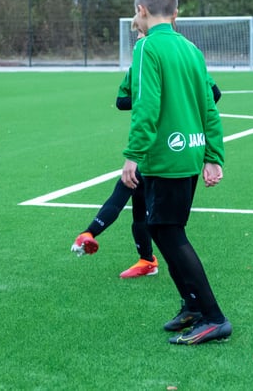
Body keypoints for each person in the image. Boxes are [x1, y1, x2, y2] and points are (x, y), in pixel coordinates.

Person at [120, 0, 230, 345]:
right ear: (176, 13)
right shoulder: (190, 49)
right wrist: (213, 156)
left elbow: (146, 107)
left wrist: (133, 154)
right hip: (190, 153)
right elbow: (209, 107)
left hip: (165, 157)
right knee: (162, 228)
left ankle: (213, 316)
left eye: (135, 13)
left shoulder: (147, 48)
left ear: (141, 10)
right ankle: (193, 307)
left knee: (169, 232)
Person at [72, 21, 222, 279]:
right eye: (139, 35)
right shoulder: (139, 65)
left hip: (166, 149)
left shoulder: (180, 55)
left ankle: (93, 235)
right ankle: (146, 259)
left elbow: (214, 94)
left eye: (142, 33)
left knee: (148, 211)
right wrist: (148, 97)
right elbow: (121, 101)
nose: (140, 39)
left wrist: (170, 101)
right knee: (138, 206)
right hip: (151, 144)